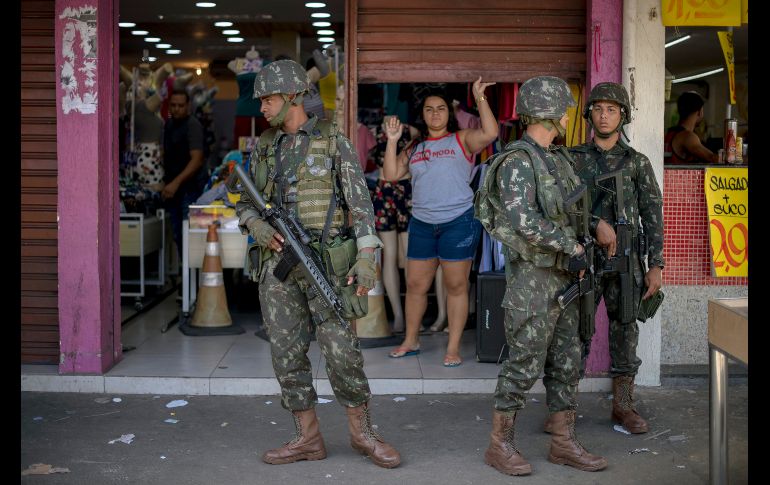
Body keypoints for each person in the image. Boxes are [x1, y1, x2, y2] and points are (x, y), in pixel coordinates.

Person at [234, 59, 401, 468]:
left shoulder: (332, 141)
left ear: (292, 96)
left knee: (342, 351)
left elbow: (361, 204)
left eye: (268, 99)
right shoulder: (265, 147)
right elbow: (244, 204)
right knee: (286, 352)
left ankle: (363, 435)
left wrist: (366, 257)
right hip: (278, 269)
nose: (262, 109)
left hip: (326, 264)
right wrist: (254, 225)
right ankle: (306, 438)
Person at [476, 76, 608, 475]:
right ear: (551, 113)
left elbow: (573, 210)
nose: (568, 117)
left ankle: (563, 443)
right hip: (534, 280)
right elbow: (523, 221)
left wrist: (596, 225)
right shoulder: (518, 160)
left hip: (566, 278)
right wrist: (572, 246)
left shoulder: (557, 157)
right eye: (565, 110)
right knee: (524, 362)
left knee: (567, 359)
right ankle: (500, 445)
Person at [566, 82, 664, 434]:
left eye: (611, 108)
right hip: (584, 259)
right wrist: (593, 224)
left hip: (626, 260)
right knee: (576, 332)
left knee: (625, 329)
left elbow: (653, 214)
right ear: (589, 114)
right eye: (597, 108)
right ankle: (564, 409)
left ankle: (623, 406)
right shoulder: (572, 159)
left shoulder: (637, 163)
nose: (604, 114)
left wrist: (656, 265)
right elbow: (561, 207)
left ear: (623, 115)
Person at [384, 79, 498, 367]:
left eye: (441, 109)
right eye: (429, 109)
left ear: (450, 113)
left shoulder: (461, 139)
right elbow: (391, 174)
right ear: (422, 114)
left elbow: (491, 132)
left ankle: (453, 347)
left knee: (456, 285)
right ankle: (411, 340)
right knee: (415, 285)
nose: (435, 114)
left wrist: (479, 98)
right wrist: (393, 140)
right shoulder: (416, 148)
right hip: (422, 223)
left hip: (458, 222)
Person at [163, 90, 205, 261]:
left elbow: (197, 160)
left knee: (190, 237)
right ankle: (186, 280)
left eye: (181, 105)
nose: (176, 109)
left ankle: (191, 281)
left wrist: (175, 183)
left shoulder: (192, 124)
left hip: (189, 189)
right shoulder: (168, 125)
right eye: (173, 105)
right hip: (174, 189)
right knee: (178, 236)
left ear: (188, 106)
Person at [664, 91, 718, 164]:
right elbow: (711, 158)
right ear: (700, 112)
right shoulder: (687, 136)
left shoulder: (670, 133)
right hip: (680, 175)